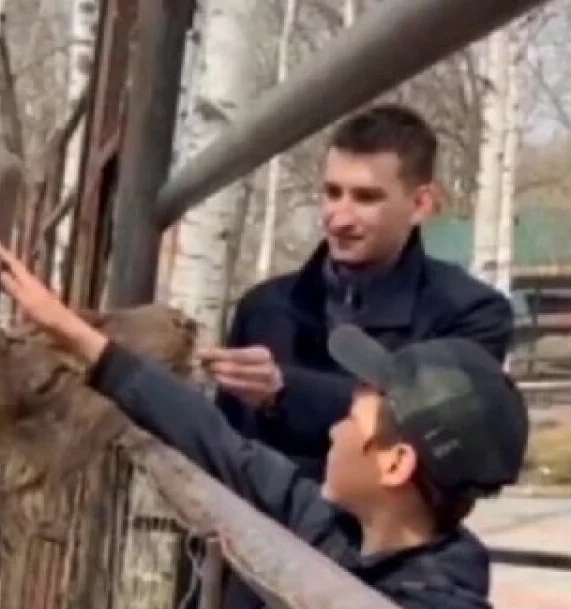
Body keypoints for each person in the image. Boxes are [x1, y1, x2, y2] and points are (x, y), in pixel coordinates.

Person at [0, 242, 529, 609]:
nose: (331, 432)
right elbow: (219, 443)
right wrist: (80, 338)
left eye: (351, 420)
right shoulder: (328, 527)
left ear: (395, 463)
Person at [206, 103, 514, 482]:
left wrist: (285, 391)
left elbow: (433, 431)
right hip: (254, 534)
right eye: (332, 193)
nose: (339, 217)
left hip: (388, 537)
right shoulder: (264, 307)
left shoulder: (472, 312)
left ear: (421, 204)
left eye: (366, 197)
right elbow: (223, 448)